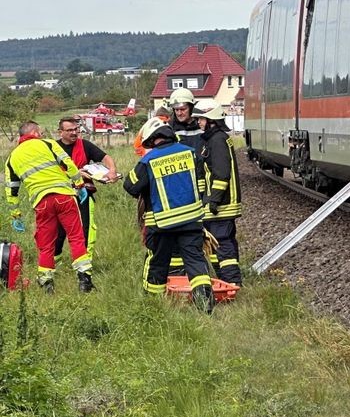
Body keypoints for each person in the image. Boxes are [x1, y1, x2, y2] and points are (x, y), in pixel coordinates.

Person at [123, 123, 214, 312]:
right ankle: (205, 305)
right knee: (195, 261)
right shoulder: (191, 153)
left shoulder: (149, 160)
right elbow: (202, 186)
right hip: (192, 221)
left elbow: (130, 186)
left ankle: (153, 306)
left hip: (162, 225)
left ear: (153, 139)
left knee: (158, 263)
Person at [4, 121, 95, 293]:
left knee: (46, 245)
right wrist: (79, 185)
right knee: (76, 238)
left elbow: (11, 189)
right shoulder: (48, 144)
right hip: (64, 197)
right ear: (36, 133)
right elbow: (69, 164)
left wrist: (16, 215)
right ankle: (85, 281)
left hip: (42, 203)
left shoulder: (12, 158)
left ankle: (47, 285)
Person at [54, 117, 119, 258]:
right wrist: (77, 174)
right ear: (60, 132)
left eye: (76, 129)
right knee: (59, 232)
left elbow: (105, 157)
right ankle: (55, 260)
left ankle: (84, 262)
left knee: (85, 228)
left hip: (83, 193)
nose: (74, 133)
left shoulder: (84, 145)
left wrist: (112, 170)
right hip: (61, 195)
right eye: (69, 130)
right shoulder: (53, 148)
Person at [194, 99, 243, 285]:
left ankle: (231, 282)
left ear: (211, 119)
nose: (199, 122)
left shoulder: (218, 140)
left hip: (222, 206)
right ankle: (223, 280)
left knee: (222, 244)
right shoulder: (211, 140)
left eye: (201, 118)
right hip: (214, 204)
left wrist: (213, 200)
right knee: (214, 245)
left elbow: (221, 174)